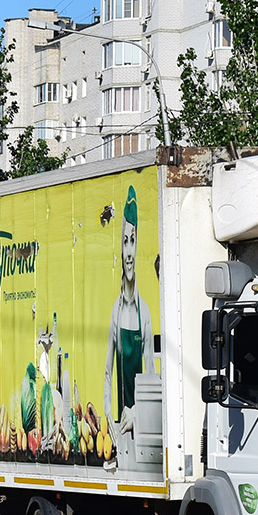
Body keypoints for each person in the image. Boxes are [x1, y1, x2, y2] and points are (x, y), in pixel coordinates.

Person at [104, 185, 155, 444]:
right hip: (119, 425)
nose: (129, 252)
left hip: (139, 423)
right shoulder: (116, 311)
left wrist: (138, 411)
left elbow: (151, 374)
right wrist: (108, 412)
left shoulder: (143, 312)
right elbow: (107, 373)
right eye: (125, 241)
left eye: (133, 241)